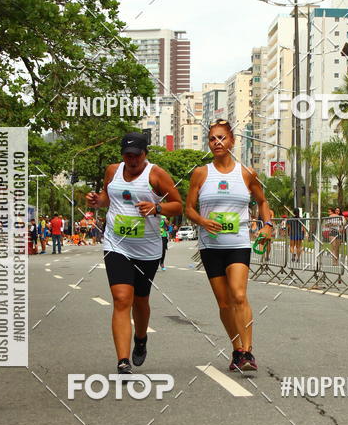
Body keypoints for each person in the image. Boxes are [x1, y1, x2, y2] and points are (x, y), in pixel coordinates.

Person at [87, 132, 182, 375]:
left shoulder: (156, 174)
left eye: (136, 156)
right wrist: (98, 201)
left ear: (145, 154)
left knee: (141, 300)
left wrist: (156, 207)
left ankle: (141, 339)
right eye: (127, 155)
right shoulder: (112, 171)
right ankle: (122, 360)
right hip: (116, 244)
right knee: (121, 299)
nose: (132, 160)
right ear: (122, 155)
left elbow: (178, 205)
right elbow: (108, 197)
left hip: (147, 248)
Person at [185, 119, 273, 373]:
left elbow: (263, 201)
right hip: (210, 246)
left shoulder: (246, 173)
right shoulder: (201, 173)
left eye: (222, 138)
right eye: (213, 139)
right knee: (224, 304)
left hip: (238, 243)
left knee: (238, 295)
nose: (217, 143)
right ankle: (236, 350)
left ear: (232, 141)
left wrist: (267, 224)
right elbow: (188, 208)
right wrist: (202, 220)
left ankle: (248, 351)